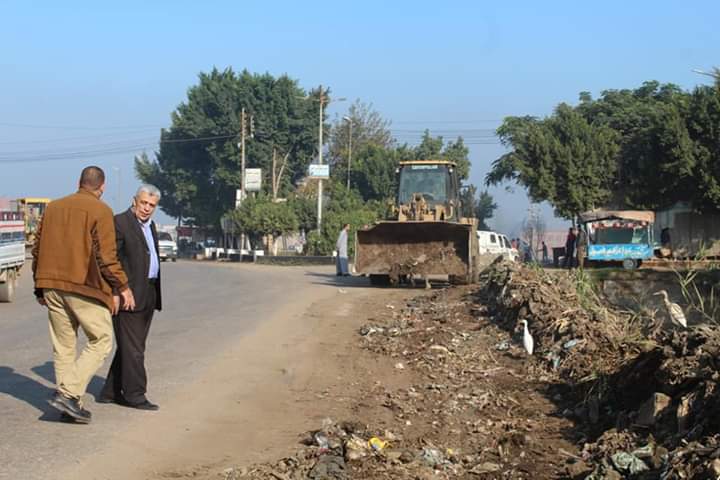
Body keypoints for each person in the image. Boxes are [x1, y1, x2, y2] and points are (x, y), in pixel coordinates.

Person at [32, 166, 135, 423]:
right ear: (102, 187)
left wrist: (39, 286)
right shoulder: (101, 210)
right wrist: (122, 287)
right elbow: (107, 257)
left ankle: (70, 403)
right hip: (83, 287)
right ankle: (68, 394)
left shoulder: (53, 207)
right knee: (101, 340)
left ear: (79, 182)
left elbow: (37, 248)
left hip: (52, 286)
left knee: (64, 346)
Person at [99, 185, 163, 411]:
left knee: (131, 345)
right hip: (127, 296)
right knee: (134, 348)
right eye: (144, 202)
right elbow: (110, 260)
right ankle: (135, 394)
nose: (146, 208)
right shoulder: (120, 222)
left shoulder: (151, 226)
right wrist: (116, 291)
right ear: (134, 200)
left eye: (151, 205)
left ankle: (110, 391)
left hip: (148, 293)